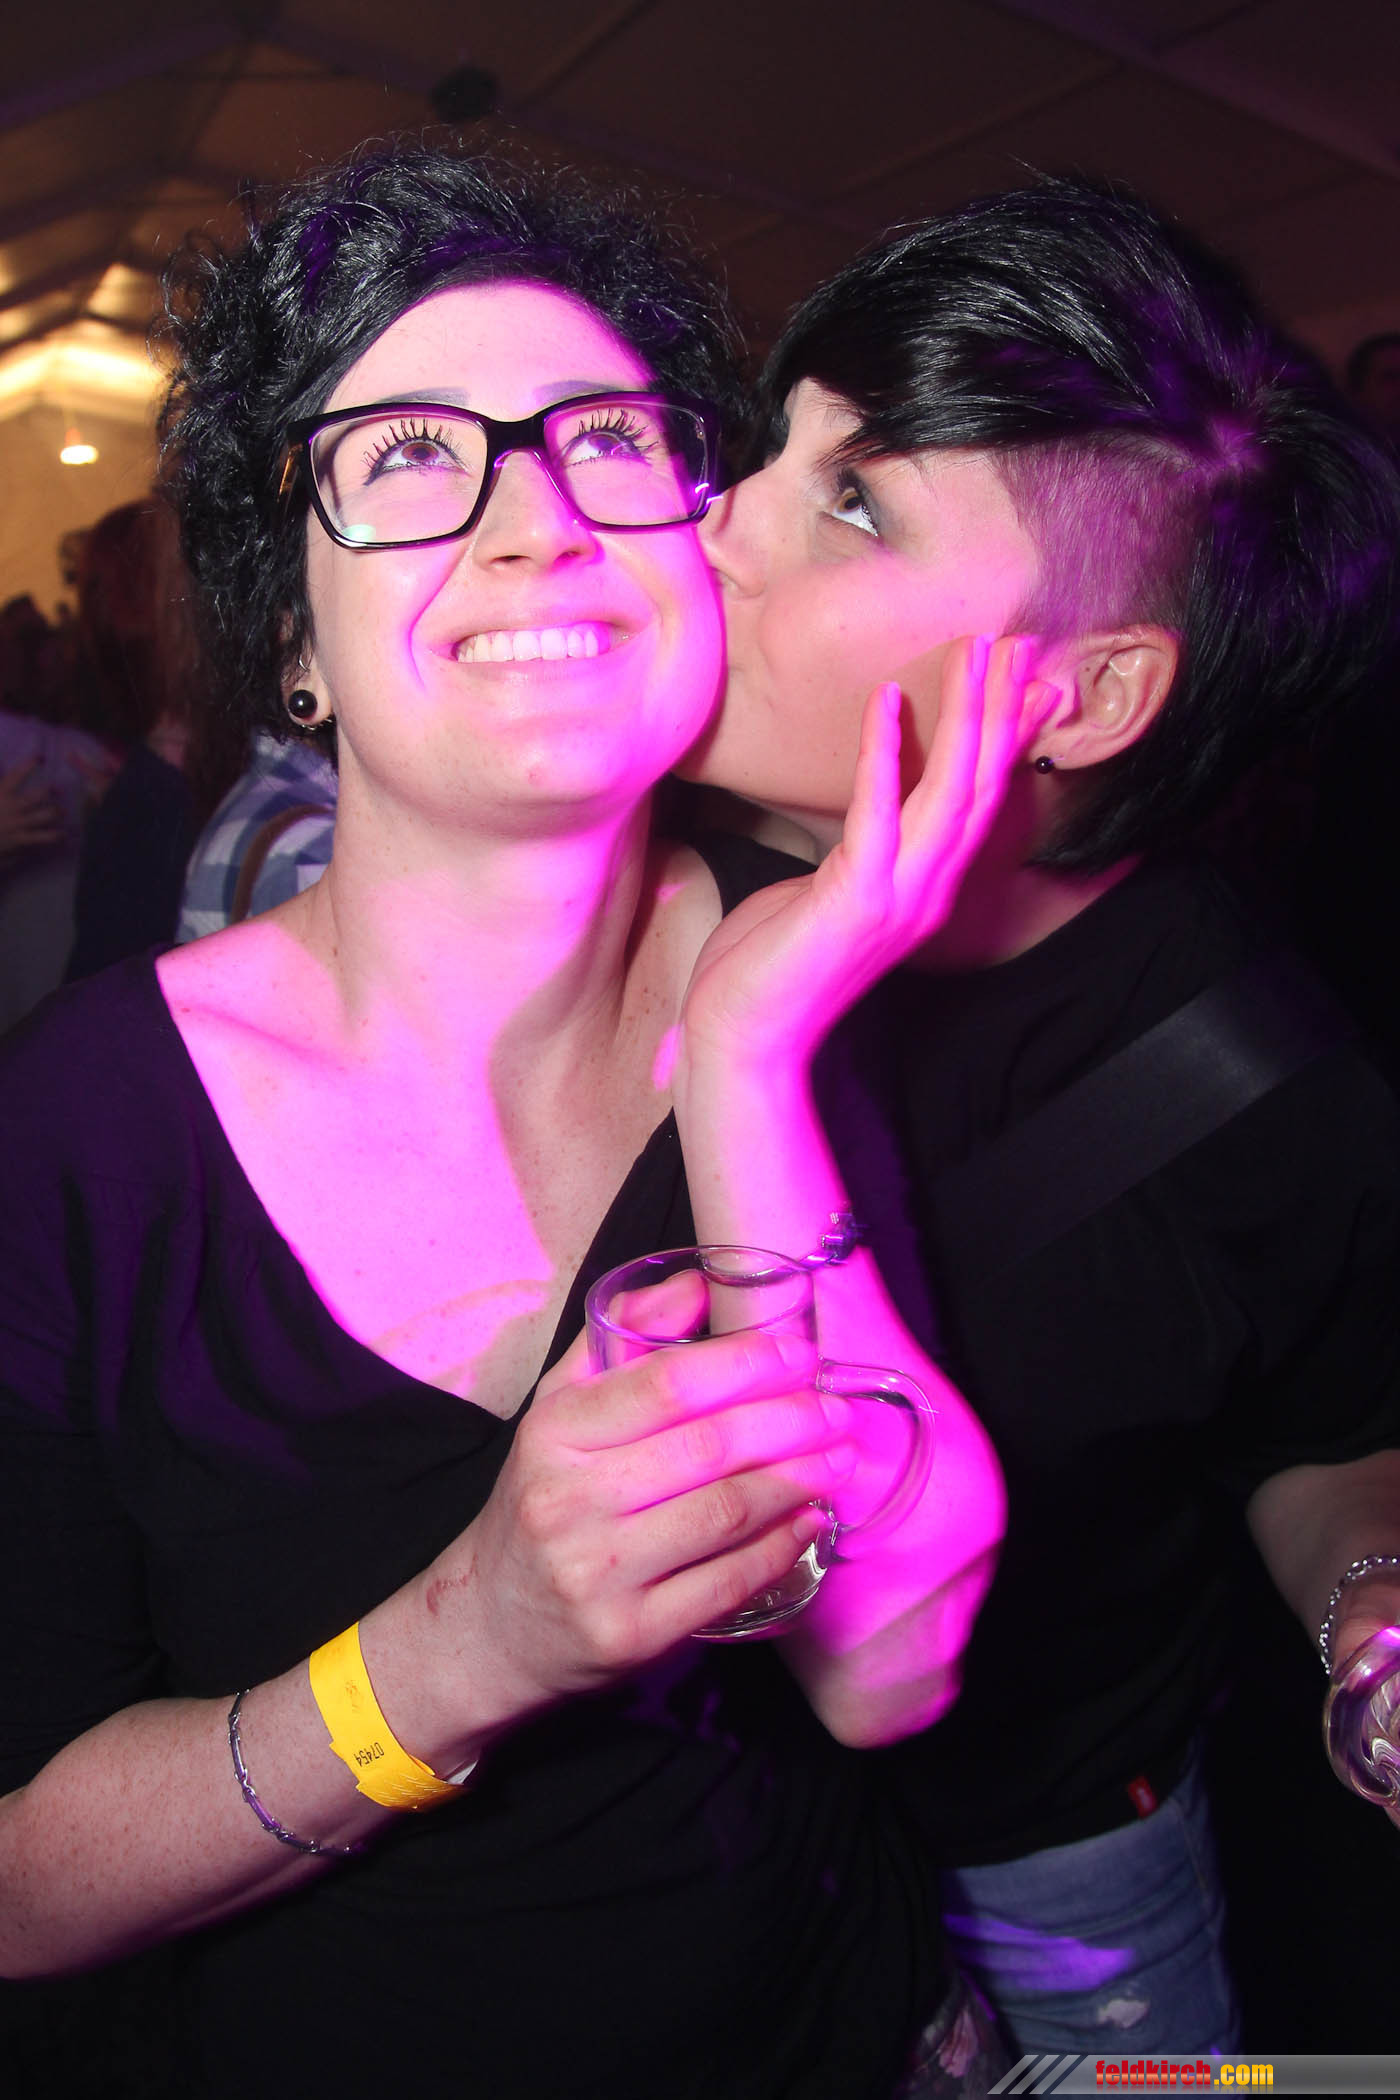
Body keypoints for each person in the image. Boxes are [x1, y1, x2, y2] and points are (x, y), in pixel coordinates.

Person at [0, 144, 1014, 2100]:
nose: (535, 521)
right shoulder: (71, 1140)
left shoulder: (818, 970)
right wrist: (466, 1649)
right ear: (290, 644)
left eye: (605, 441)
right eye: (403, 457)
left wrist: (748, 1060)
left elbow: (890, 1658)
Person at [687, 177, 1400, 2057]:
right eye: (776, 449)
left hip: (1058, 1869)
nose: (718, 519)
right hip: (697, 1865)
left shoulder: (1251, 1075)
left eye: (854, 502)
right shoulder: (613, 903)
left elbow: (1328, 1437)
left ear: (1082, 694)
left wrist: (1372, 1610)